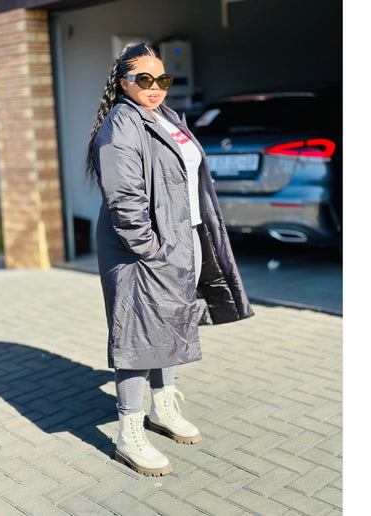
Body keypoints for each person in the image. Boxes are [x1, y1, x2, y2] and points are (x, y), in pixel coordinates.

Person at [86, 43, 254, 477]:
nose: (155, 86)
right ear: (123, 82)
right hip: (142, 250)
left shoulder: (167, 117)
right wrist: (149, 249)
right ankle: (129, 431)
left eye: (162, 78)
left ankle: (163, 407)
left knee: (172, 321)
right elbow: (124, 197)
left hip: (184, 239)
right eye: (144, 79)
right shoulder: (121, 123)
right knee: (137, 334)